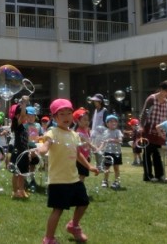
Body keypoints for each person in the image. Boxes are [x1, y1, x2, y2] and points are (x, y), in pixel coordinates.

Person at [37, 99, 98, 244]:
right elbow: (46, 144)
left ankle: (74, 225)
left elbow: (78, 154)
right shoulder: (53, 132)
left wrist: (89, 166)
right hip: (58, 180)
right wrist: (42, 149)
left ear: (73, 116)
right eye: (61, 114)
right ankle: (49, 238)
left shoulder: (74, 134)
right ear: (55, 118)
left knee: (83, 202)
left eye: (69, 113)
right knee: (58, 210)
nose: (66, 117)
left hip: (74, 178)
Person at [139, 80, 167, 182]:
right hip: (148, 128)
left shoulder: (166, 102)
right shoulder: (152, 99)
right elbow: (144, 113)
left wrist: (165, 130)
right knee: (147, 152)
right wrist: (141, 126)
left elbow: (164, 117)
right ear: (161, 90)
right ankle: (148, 175)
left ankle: (160, 175)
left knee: (157, 153)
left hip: (159, 129)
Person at [100, 114, 124, 189]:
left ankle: (117, 181)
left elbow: (120, 140)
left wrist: (112, 140)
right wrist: (99, 149)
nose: (113, 123)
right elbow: (103, 142)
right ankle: (105, 181)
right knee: (106, 167)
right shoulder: (105, 132)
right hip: (108, 152)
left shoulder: (118, 131)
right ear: (107, 124)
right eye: (111, 121)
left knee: (116, 168)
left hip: (116, 152)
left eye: (115, 121)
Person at [73, 108, 93, 182]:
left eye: (88, 120)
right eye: (84, 119)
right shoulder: (78, 132)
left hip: (85, 156)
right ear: (78, 121)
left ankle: (78, 189)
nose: (87, 122)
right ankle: (79, 190)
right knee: (81, 174)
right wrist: (94, 147)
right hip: (80, 158)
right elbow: (86, 142)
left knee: (83, 175)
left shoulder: (85, 130)